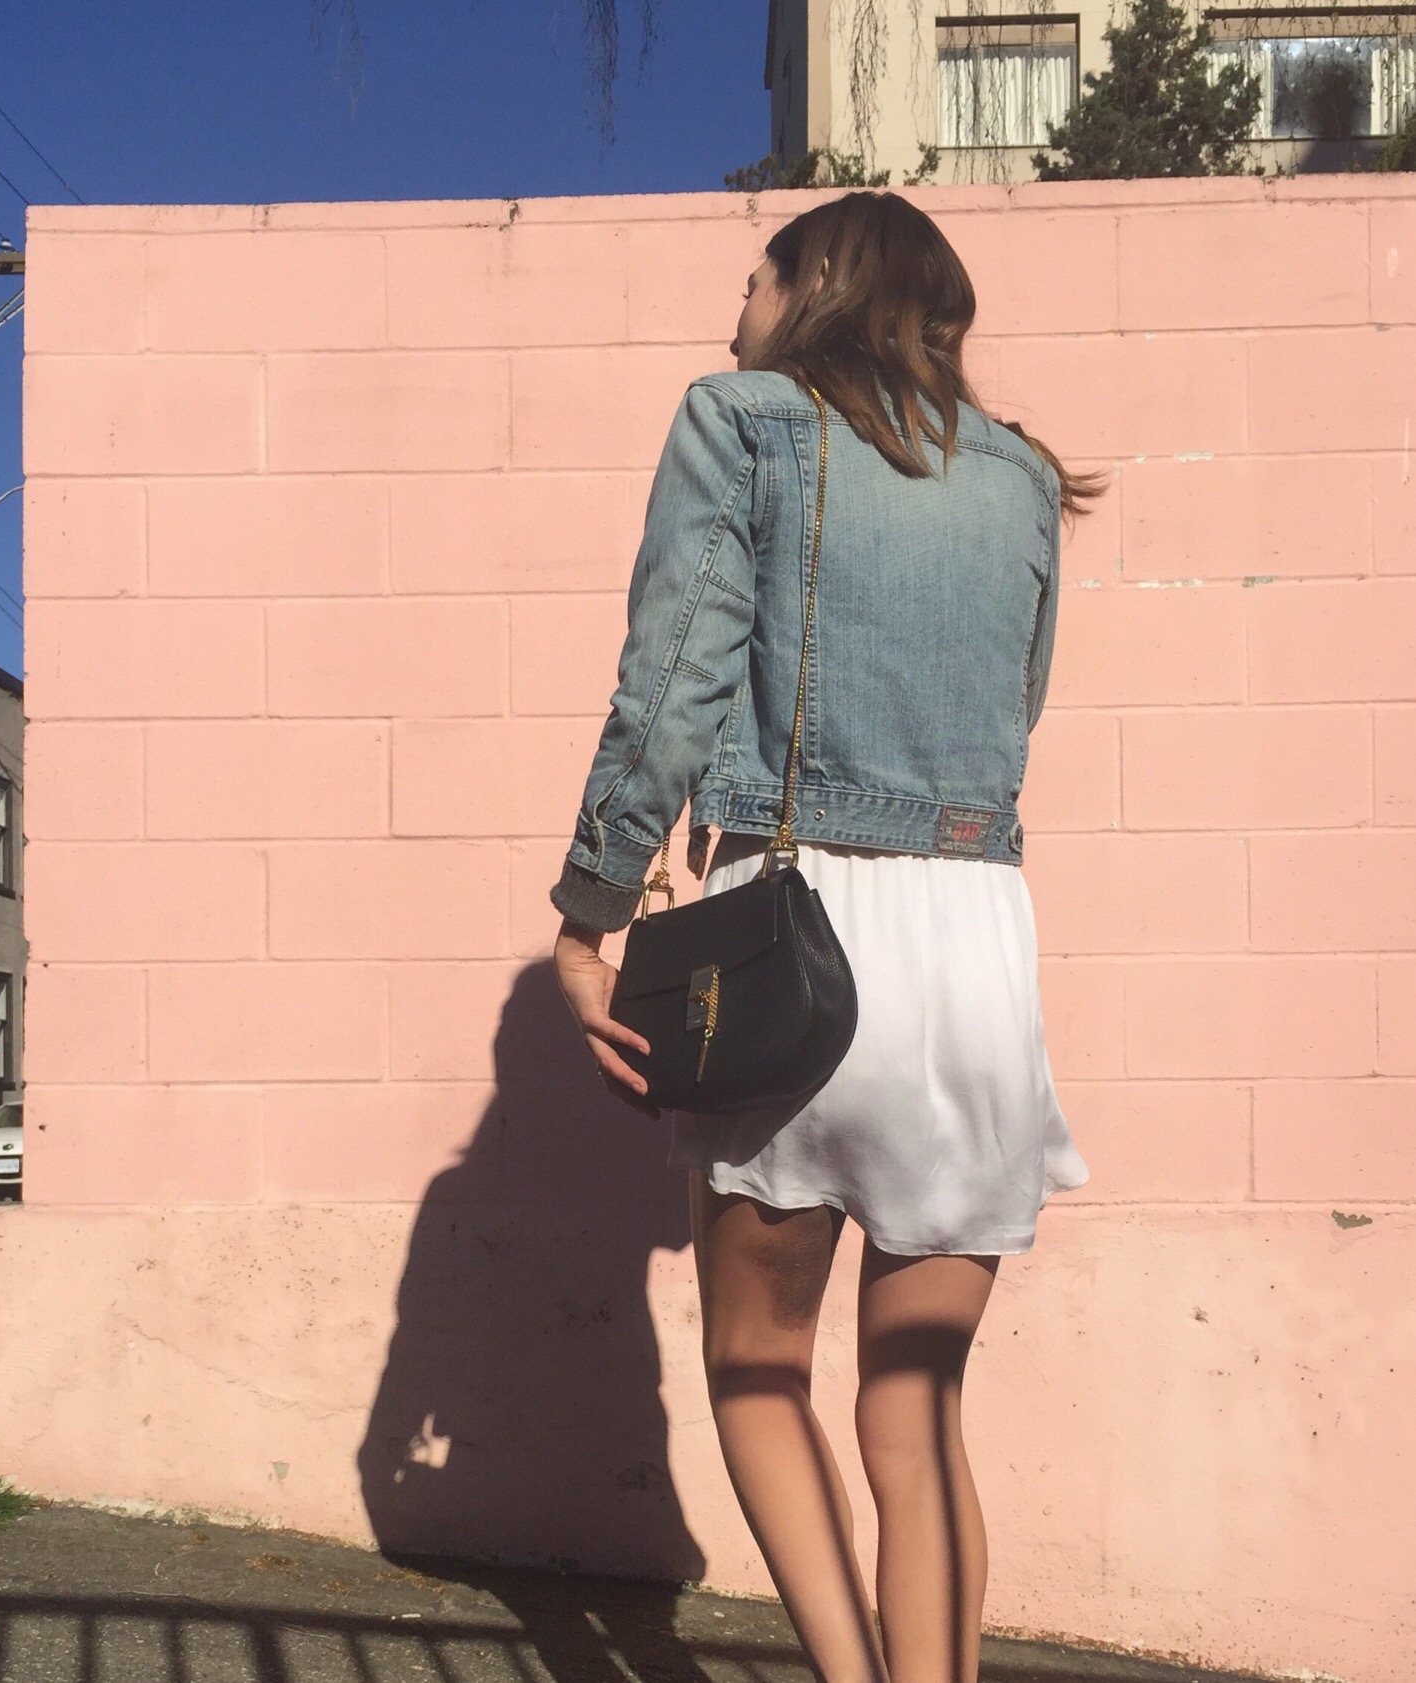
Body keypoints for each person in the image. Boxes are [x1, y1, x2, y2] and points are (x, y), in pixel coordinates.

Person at [549, 191, 1104, 1683]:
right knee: (916, 1410)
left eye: (752, 280)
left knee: (756, 1367)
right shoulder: (1019, 477)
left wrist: (590, 915)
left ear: (815, 288)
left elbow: (671, 682)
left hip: (797, 942)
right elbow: (1017, 709)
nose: (730, 310)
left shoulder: (741, 423)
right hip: (976, 948)